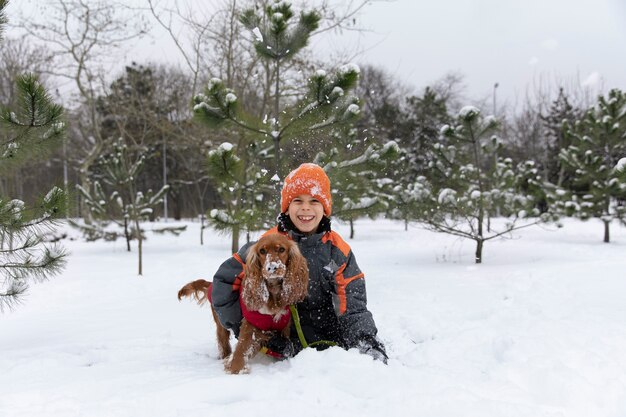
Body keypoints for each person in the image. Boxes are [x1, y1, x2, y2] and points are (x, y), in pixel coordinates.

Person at [210, 163, 388, 363]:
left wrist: (364, 339)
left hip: (330, 337)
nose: (305, 207)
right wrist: (243, 325)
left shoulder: (337, 250)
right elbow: (224, 283)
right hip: (281, 340)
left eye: (314, 200)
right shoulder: (267, 243)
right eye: (297, 200)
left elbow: (353, 302)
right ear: (287, 206)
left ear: (325, 207)